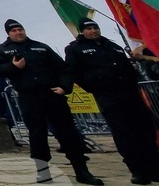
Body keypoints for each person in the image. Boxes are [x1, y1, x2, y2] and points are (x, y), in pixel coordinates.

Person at [0, 19, 103, 185]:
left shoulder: (41, 47)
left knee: (68, 133)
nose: (18, 32)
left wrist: (64, 87)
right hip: (29, 96)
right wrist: (13, 67)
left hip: (52, 94)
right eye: (14, 31)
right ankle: (43, 172)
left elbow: (63, 68)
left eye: (20, 29)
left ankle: (82, 171)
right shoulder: (2, 50)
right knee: (37, 135)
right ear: (8, 33)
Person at [65, 17, 159, 184]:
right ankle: (137, 170)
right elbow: (74, 73)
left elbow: (126, 66)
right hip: (109, 97)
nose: (93, 31)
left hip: (131, 94)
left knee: (145, 130)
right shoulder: (76, 49)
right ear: (82, 31)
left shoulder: (112, 45)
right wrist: (95, 87)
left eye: (95, 27)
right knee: (124, 133)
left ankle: (154, 168)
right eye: (89, 28)